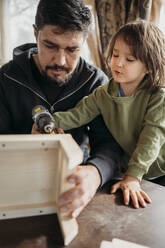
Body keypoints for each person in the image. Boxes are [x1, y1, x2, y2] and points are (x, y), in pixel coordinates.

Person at [0, 0, 123, 218]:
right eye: (50, 45)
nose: (61, 61)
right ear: (35, 33)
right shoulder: (5, 79)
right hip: (15, 194)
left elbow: (110, 145)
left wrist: (94, 174)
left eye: (72, 49)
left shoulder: (96, 83)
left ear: (84, 41)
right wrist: (26, 145)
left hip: (74, 189)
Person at [37, 20, 165, 208]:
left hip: (158, 170)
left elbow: (151, 139)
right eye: (115, 54)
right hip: (134, 171)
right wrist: (49, 121)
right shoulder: (103, 94)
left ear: (148, 66)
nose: (118, 63)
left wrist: (132, 177)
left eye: (129, 59)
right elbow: (77, 114)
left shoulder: (158, 96)